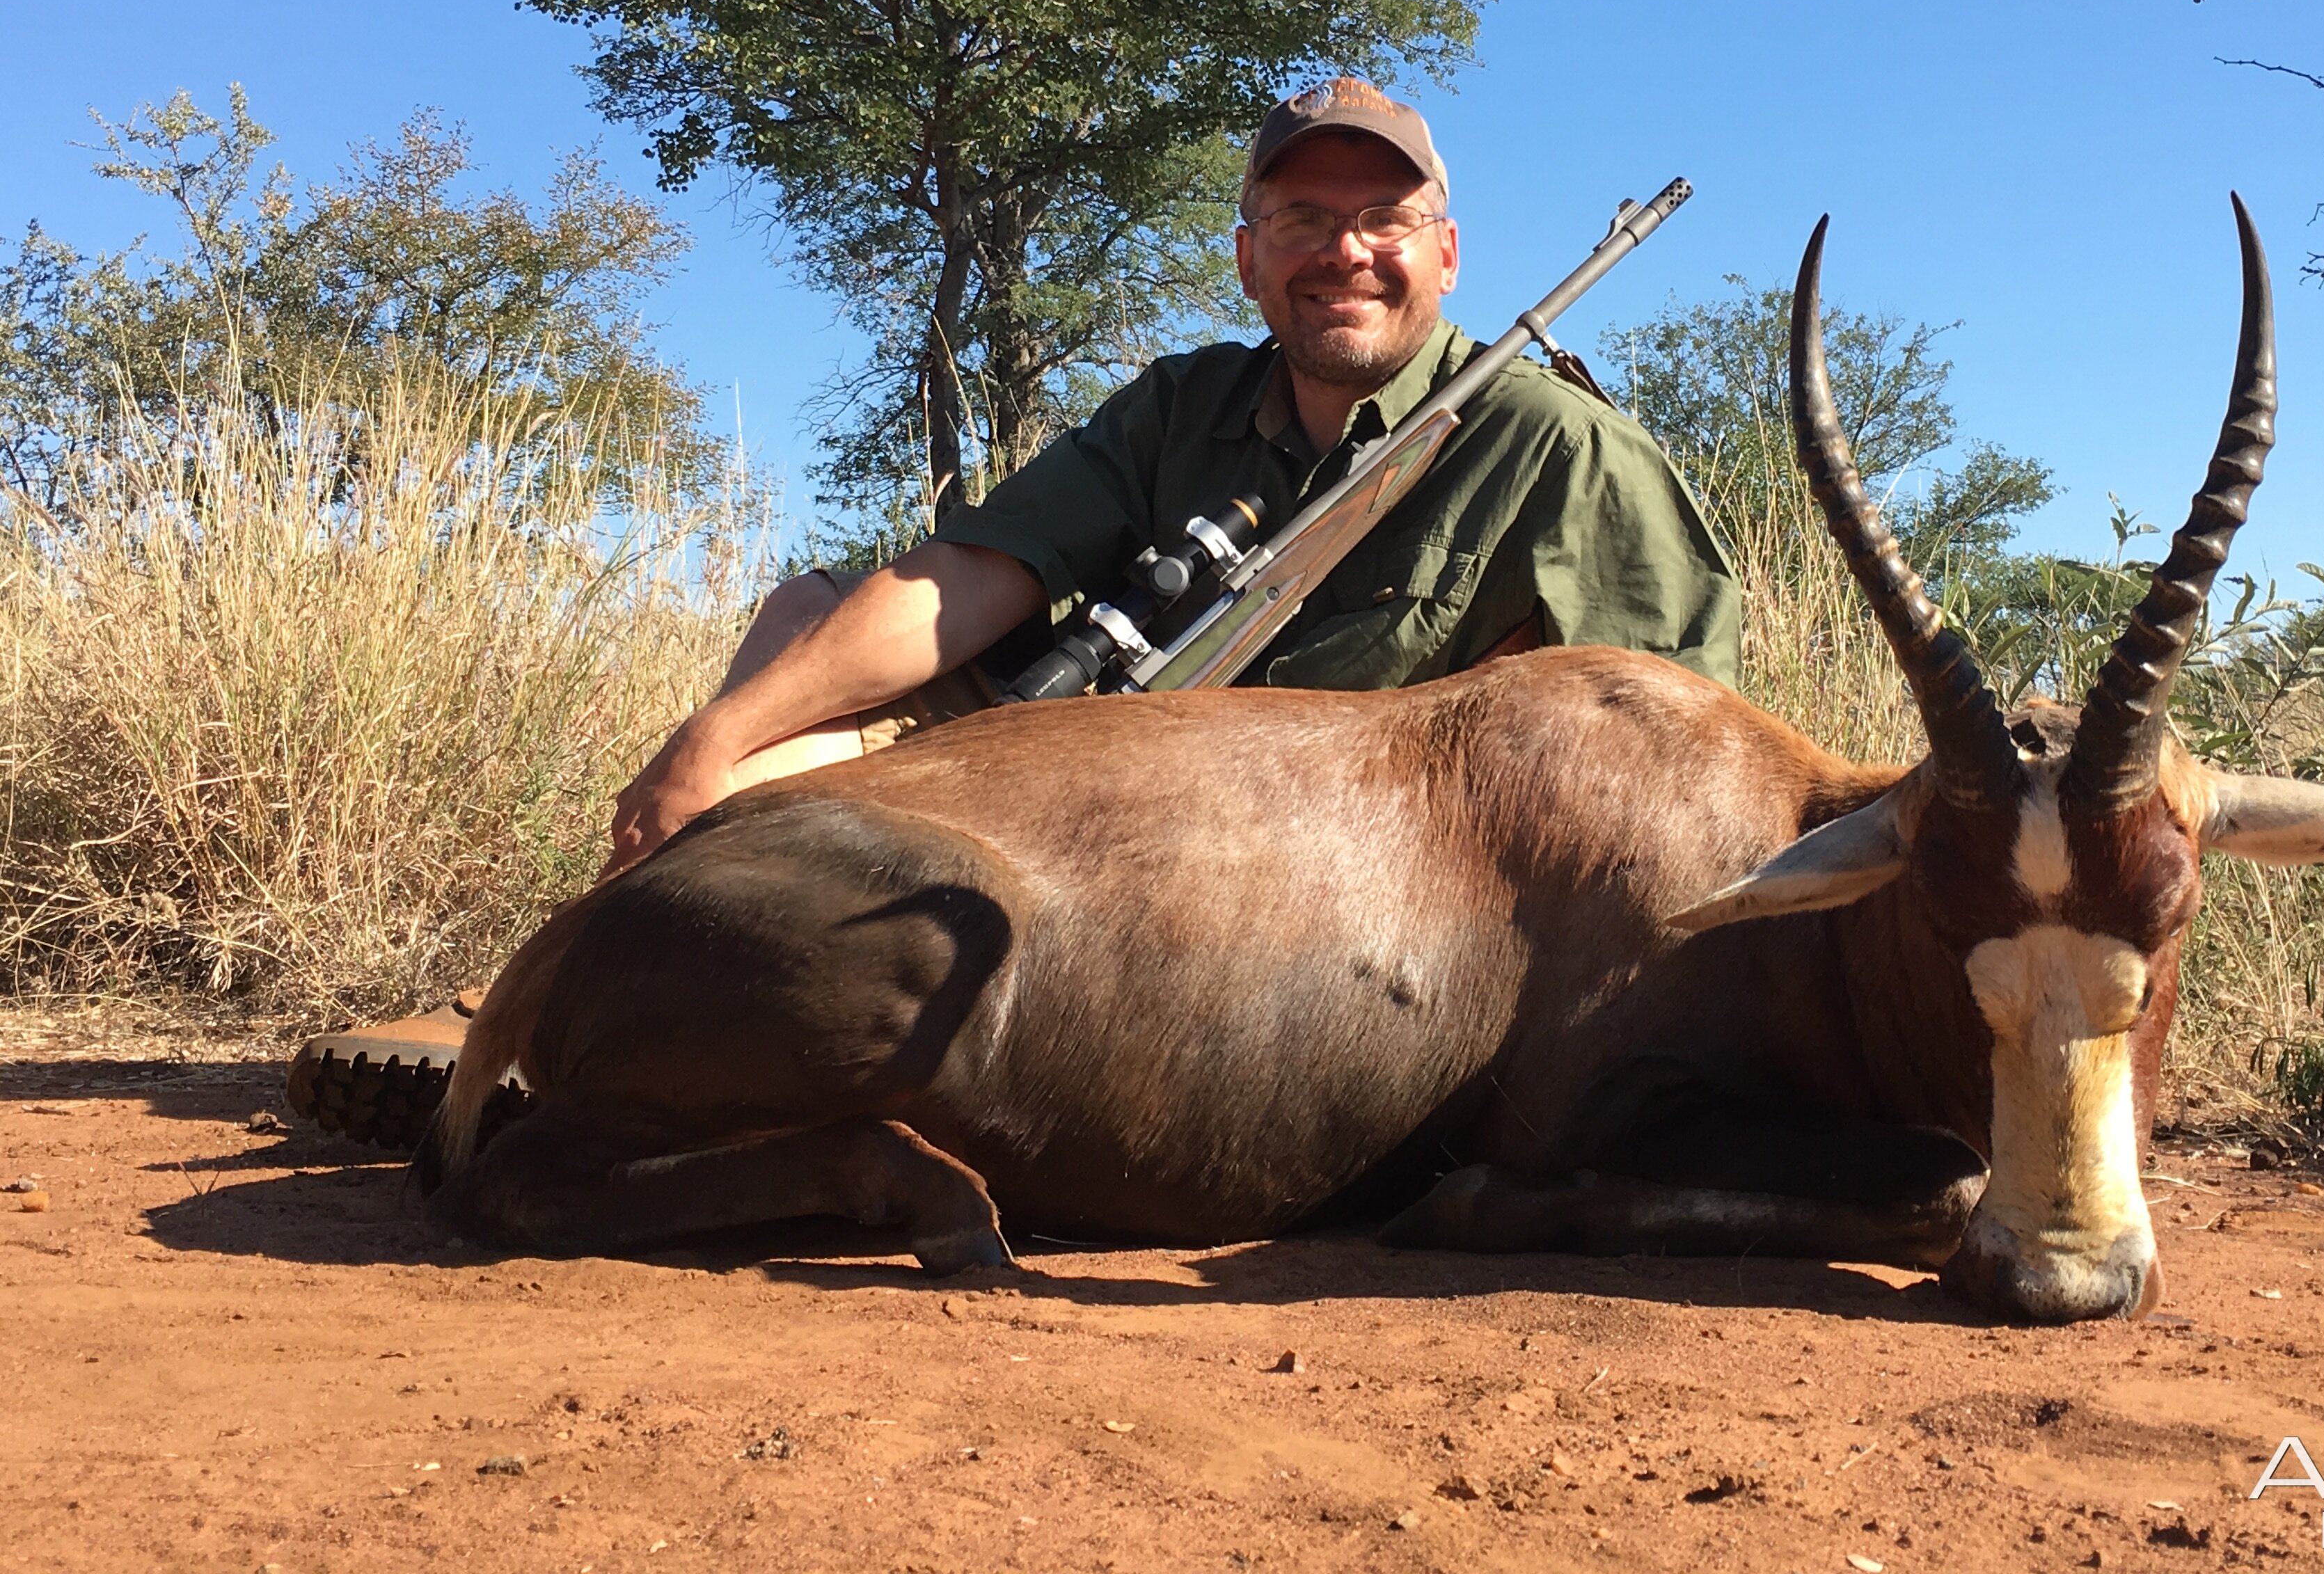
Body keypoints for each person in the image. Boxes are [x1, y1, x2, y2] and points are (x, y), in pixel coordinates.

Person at [287, 77, 1741, 1145]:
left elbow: (1669, 750)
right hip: (1073, 768)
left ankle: (593, 1038)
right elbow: (972, 582)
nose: (1344, 250)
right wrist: (707, 744)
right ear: (1248, 254)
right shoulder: (1186, 399)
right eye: (1304, 216)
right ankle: (569, 985)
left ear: (1446, 252)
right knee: (805, 626)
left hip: (1290, 873)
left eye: (1383, 219)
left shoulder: (1560, 447)